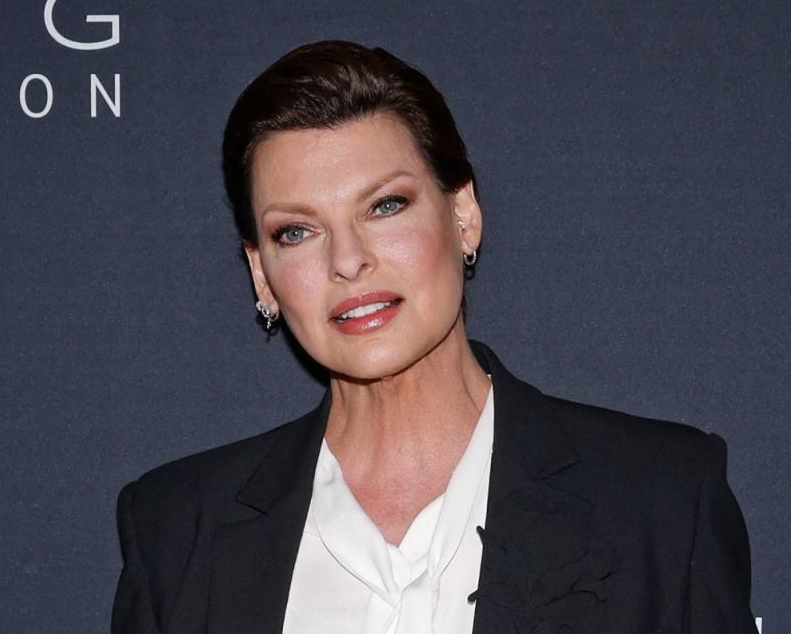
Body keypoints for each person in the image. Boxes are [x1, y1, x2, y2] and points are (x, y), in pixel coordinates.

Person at [111, 40, 756, 634]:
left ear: (463, 214)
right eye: (296, 231)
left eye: (385, 205)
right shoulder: (176, 533)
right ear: (262, 273)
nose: (348, 259)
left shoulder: (662, 504)